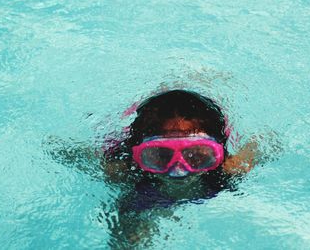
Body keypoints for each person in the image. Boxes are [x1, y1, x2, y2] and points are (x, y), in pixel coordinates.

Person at [101, 89, 264, 247]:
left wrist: (250, 155)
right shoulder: (126, 174)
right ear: (139, 157)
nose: (178, 171)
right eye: (161, 155)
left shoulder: (230, 169)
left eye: (195, 155)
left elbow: (263, 144)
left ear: (217, 154)